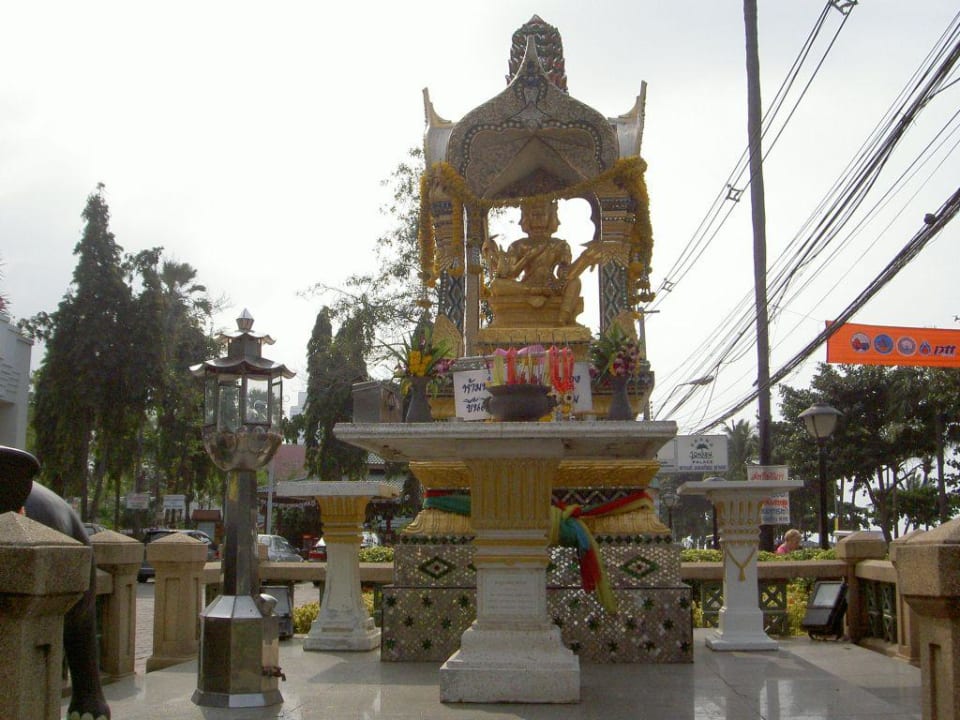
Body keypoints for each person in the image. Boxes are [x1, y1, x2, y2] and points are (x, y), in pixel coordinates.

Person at [482, 197, 583, 325]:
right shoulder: (518, 245)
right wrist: (493, 255)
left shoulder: (560, 245)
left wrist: (569, 267)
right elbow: (511, 274)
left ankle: (563, 317)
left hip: (550, 286)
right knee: (496, 285)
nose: (538, 218)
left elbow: (563, 273)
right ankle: (534, 292)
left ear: (551, 216)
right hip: (525, 287)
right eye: (534, 214)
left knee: (575, 282)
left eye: (543, 214)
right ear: (526, 217)